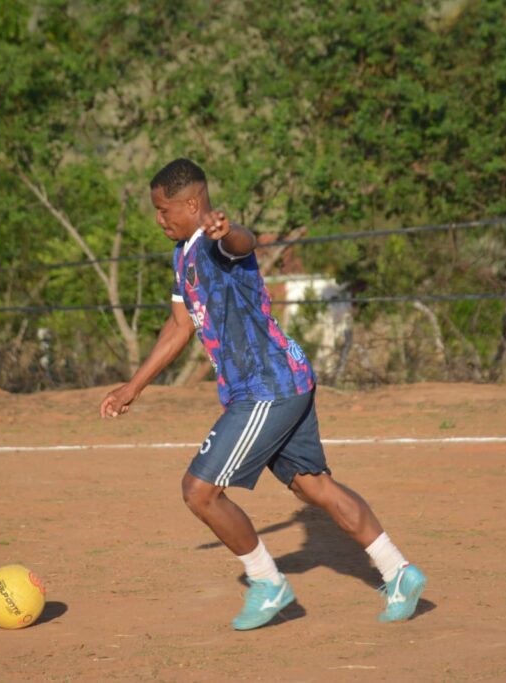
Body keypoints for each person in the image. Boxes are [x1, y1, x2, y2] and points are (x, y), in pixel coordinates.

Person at [100, 158, 426, 630]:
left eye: (164, 209)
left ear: (192, 204)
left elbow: (243, 242)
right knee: (311, 486)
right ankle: (399, 571)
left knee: (199, 491)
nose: (158, 218)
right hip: (285, 379)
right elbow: (179, 325)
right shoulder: (182, 255)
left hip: (266, 386)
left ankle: (267, 583)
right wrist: (133, 386)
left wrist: (228, 230)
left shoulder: (216, 243)